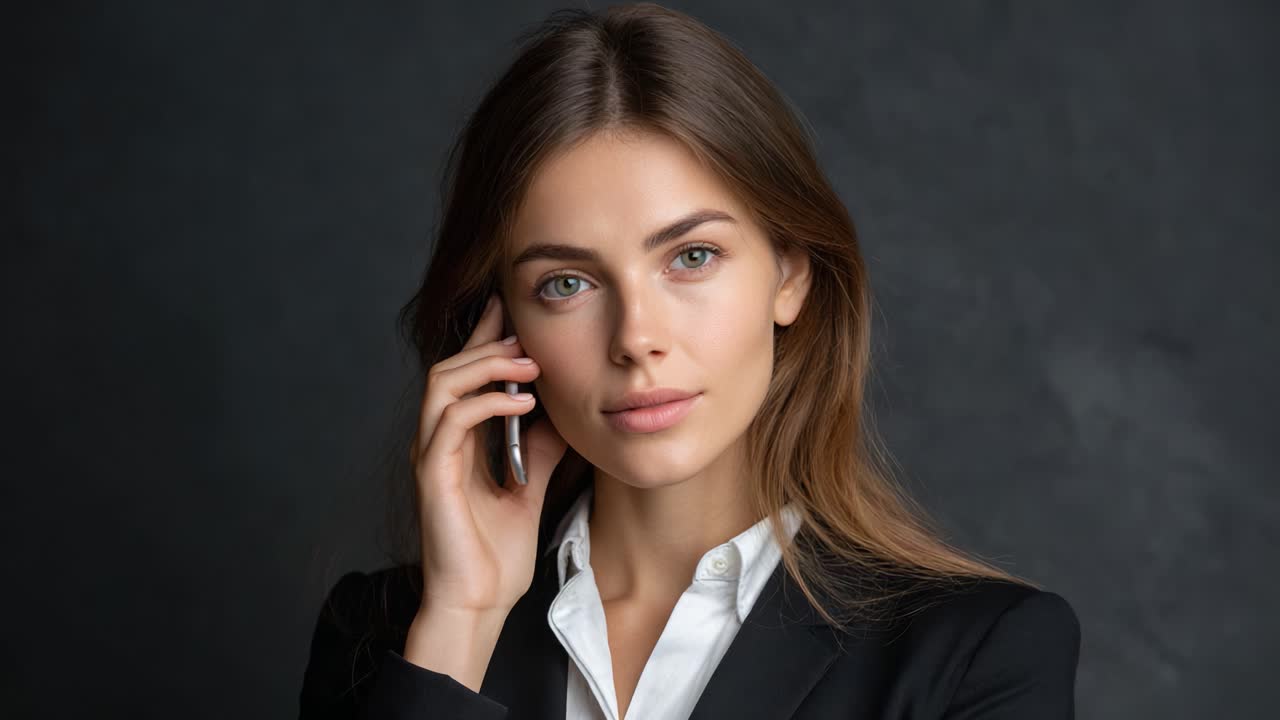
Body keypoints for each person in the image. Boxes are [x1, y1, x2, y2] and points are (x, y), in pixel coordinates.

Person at [298, 3, 1081, 718]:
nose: (636, 336)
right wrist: (463, 621)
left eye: (692, 256)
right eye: (566, 283)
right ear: (497, 328)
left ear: (789, 274)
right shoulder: (389, 637)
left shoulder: (978, 658)